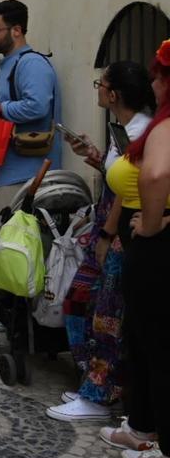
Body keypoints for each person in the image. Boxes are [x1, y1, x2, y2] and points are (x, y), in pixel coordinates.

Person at [47, 60, 154, 423]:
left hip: (117, 233)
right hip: (106, 230)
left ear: (113, 94)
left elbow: (129, 191)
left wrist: (107, 234)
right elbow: (115, 178)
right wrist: (94, 158)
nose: (97, 88)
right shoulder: (121, 131)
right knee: (81, 301)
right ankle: (94, 379)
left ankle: (99, 393)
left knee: (108, 315)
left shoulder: (140, 134)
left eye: (101, 83)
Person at [101, 39, 170, 458]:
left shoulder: (165, 125)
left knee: (158, 343)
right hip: (149, 246)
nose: (155, 84)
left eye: (160, 76)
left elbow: (157, 173)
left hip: (158, 247)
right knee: (142, 339)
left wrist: (152, 220)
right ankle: (142, 425)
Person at [0, 0, 62, 224]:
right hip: (5, 173)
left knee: (15, 253)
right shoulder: (7, 64)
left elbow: (37, 106)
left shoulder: (31, 64)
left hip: (26, 176)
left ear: (17, 30)